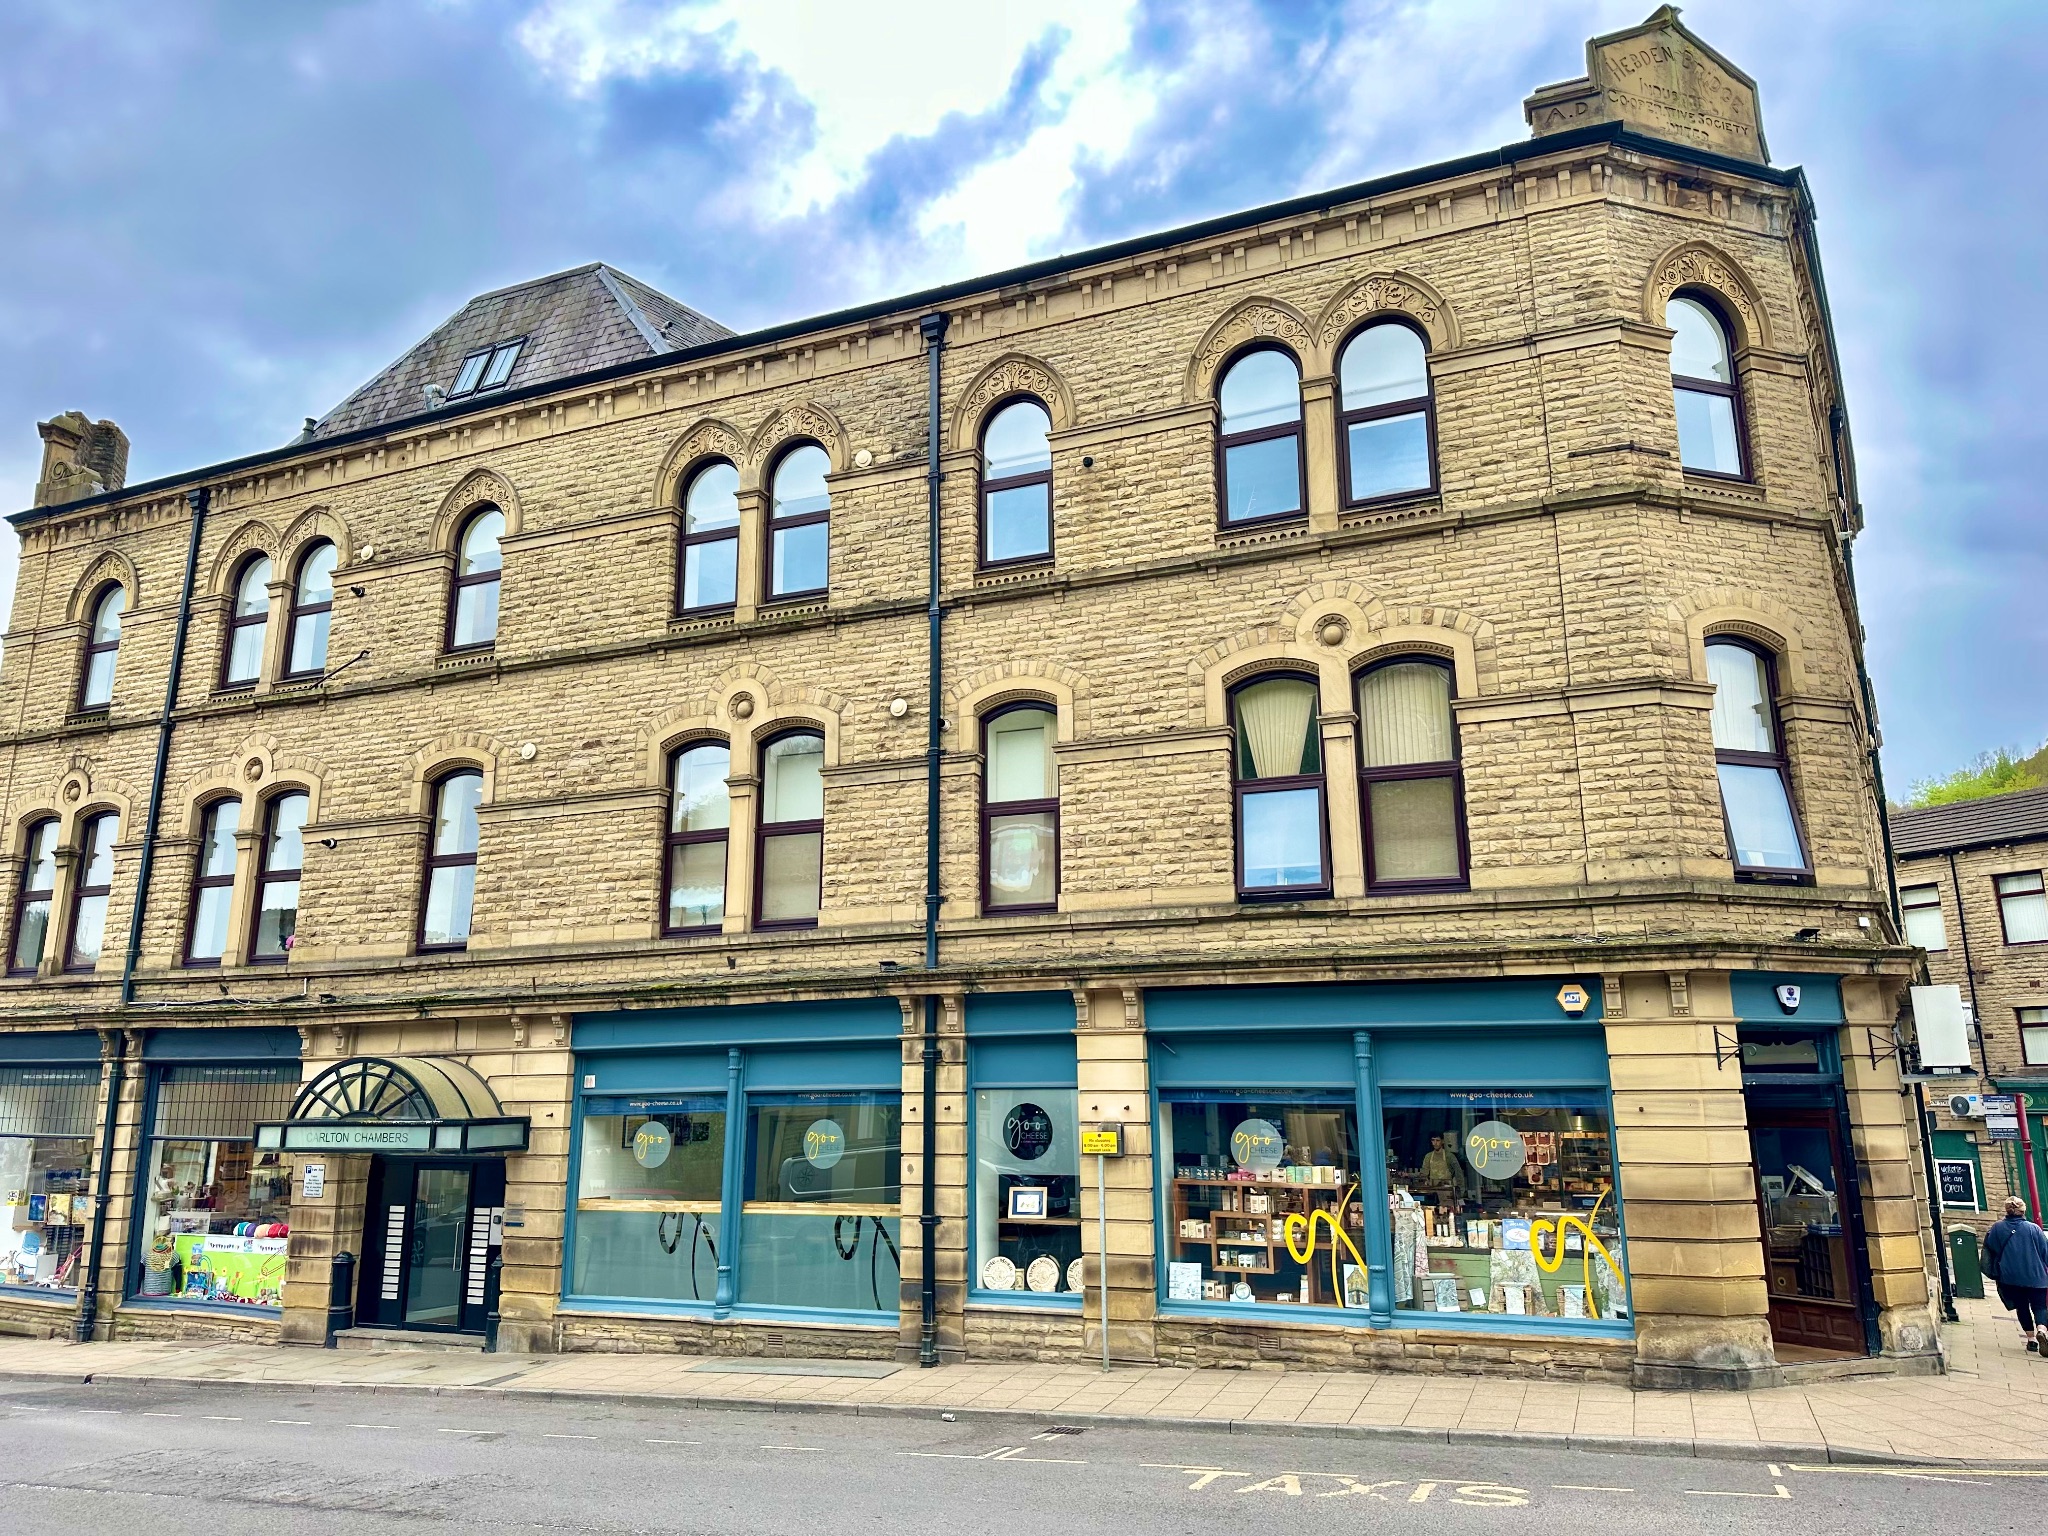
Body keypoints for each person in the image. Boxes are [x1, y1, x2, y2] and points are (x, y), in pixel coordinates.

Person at [1981, 1196, 2048, 1352]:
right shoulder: (2034, 1229)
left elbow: (1990, 1251)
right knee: (2040, 1307)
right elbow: (2045, 1252)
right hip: (2036, 1276)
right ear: (2023, 1210)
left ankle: (2031, 1340)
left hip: (2010, 1277)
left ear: (2007, 1210)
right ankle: (2042, 1330)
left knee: (2022, 1307)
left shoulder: (1996, 1228)